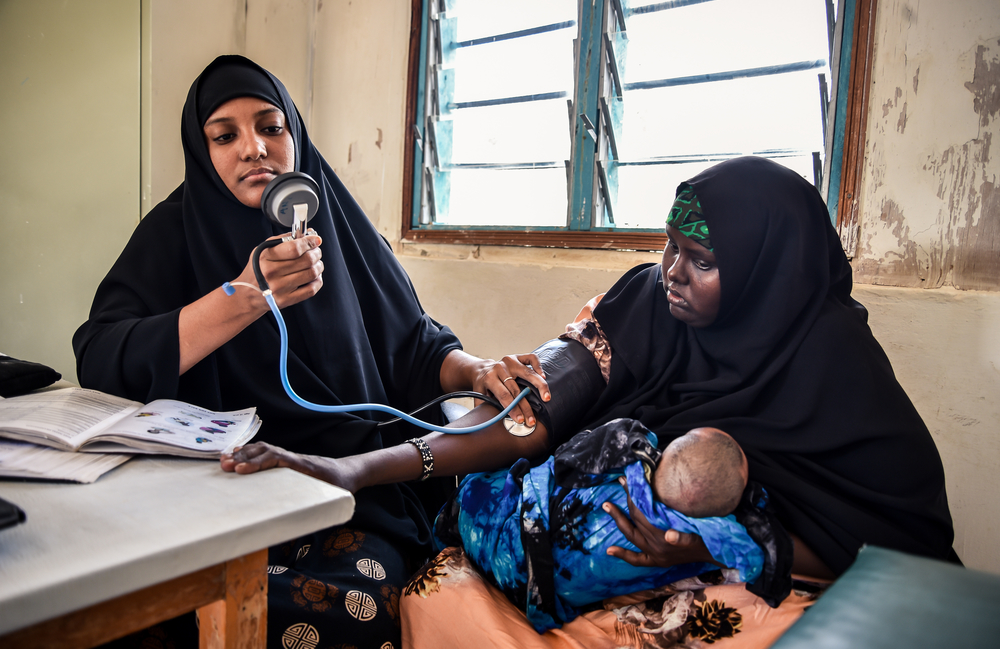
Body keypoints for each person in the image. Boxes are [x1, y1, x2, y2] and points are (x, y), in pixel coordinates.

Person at [226, 156, 956, 641]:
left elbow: (889, 551)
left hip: (750, 572)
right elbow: (525, 419)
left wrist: (715, 547)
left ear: (774, 275)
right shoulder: (642, 303)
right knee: (437, 596)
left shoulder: (835, 369)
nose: (670, 271)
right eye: (668, 244)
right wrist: (354, 470)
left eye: (701, 261)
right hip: (589, 540)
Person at [73, 55, 548, 649]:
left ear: (294, 134)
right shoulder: (172, 232)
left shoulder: (340, 223)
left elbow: (415, 346)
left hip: (347, 496)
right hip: (213, 492)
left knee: (348, 611)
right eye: (225, 136)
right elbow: (100, 357)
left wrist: (478, 370)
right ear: (202, 150)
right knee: (142, 610)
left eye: (271, 128)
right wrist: (242, 299)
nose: (254, 149)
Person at [436, 420, 772, 632]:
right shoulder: (708, 539)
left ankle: (442, 529)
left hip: (500, 524)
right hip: (533, 595)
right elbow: (762, 557)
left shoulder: (628, 457)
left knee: (477, 489)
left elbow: (568, 456)